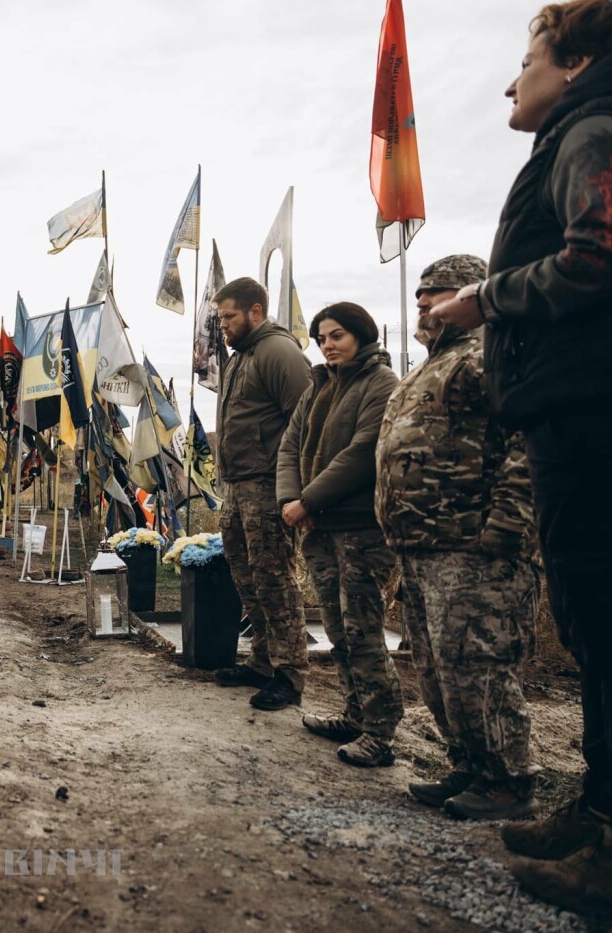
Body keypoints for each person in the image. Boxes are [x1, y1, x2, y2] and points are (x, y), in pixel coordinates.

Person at [431, 0, 612, 911]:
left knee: (601, 617)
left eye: (527, 57)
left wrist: (486, 300)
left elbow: (595, 257)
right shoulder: (574, 137)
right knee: (588, 621)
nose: (509, 79)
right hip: (569, 407)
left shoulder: (592, 134)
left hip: (586, 411)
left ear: (574, 63)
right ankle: (596, 808)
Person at [376, 254, 541, 817]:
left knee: (478, 666)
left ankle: (507, 781)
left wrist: (509, 523)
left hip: (475, 547)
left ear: (471, 300)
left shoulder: (492, 356)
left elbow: (528, 441)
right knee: (436, 669)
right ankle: (467, 765)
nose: (421, 302)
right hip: (423, 547)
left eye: (436, 293)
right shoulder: (429, 367)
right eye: (419, 293)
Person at [277, 302, 402, 767]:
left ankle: (380, 731)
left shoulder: (381, 385)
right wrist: (292, 501)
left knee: (363, 630)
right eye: (322, 338)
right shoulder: (319, 386)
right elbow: (291, 444)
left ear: (362, 335)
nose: (328, 345)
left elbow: (362, 451)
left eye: (337, 336)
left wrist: (307, 500)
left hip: (361, 530)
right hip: (320, 526)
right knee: (337, 629)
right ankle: (354, 713)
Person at [209, 277, 313, 711]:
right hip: (237, 486)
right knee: (247, 577)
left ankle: (290, 674)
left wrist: (295, 492)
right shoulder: (239, 359)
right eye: (220, 319)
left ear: (255, 311)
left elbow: (306, 422)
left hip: (269, 488)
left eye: (229, 317)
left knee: (274, 579)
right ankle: (263, 660)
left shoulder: (279, 353)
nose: (223, 326)